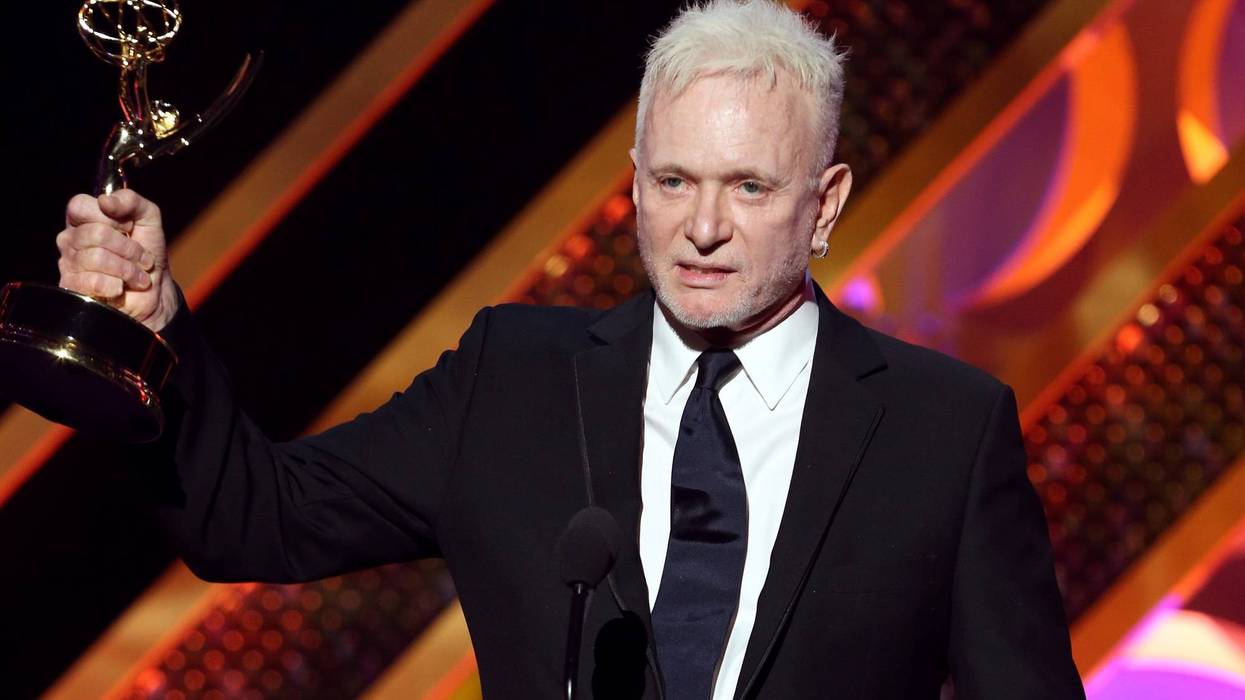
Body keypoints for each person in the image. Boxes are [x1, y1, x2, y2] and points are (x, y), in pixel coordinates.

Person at [53, 1, 1085, 698]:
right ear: (633, 184)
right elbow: (253, 518)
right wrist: (155, 332)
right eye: (674, 182)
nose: (703, 226)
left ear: (827, 206)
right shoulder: (515, 377)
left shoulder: (943, 429)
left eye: (749, 188)